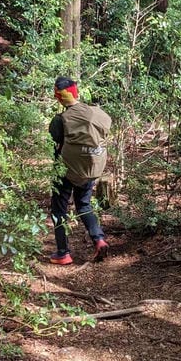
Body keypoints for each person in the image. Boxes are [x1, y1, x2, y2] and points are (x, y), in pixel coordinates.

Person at [48, 76, 111, 265]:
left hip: (66, 169)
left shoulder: (61, 119)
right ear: (76, 93)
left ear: (59, 98)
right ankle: (98, 239)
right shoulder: (95, 113)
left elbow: (54, 141)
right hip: (90, 168)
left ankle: (63, 253)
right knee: (84, 205)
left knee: (59, 208)